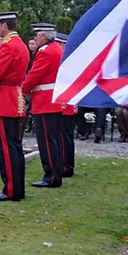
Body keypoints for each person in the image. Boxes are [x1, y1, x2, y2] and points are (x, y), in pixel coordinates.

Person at [0, 12, 29, 202]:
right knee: (14, 145)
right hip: (15, 98)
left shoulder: (8, 46)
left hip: (5, 99)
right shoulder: (20, 44)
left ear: (4, 25)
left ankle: (10, 189)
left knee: (6, 147)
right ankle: (17, 187)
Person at [21, 23, 64, 188]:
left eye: (36, 35)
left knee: (46, 141)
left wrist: (22, 90)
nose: (35, 38)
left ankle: (51, 175)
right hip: (52, 100)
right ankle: (55, 173)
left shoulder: (45, 52)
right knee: (52, 140)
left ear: (44, 36)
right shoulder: (56, 50)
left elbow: (34, 76)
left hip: (45, 101)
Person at [54, 33, 76, 177]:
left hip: (65, 102)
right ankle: (67, 164)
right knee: (66, 136)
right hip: (68, 101)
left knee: (64, 136)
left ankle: (66, 166)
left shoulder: (65, 59)